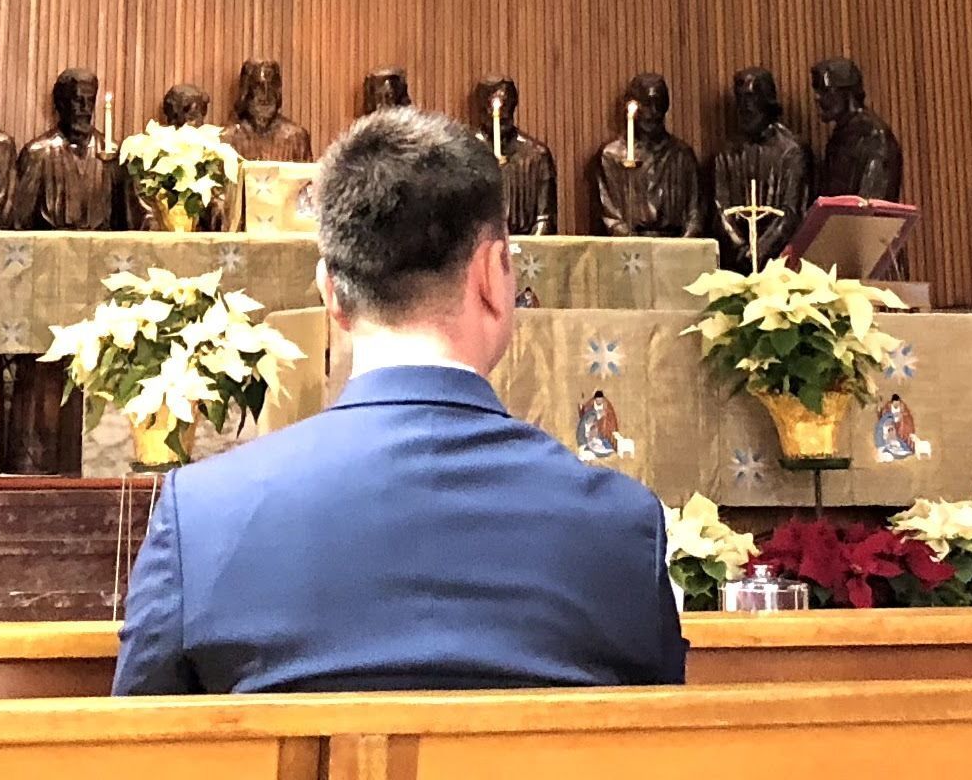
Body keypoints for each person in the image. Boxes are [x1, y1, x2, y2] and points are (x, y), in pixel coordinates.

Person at [114, 109, 685, 693]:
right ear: (493, 274)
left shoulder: (204, 516)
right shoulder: (619, 527)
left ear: (331, 293)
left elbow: (132, 756)